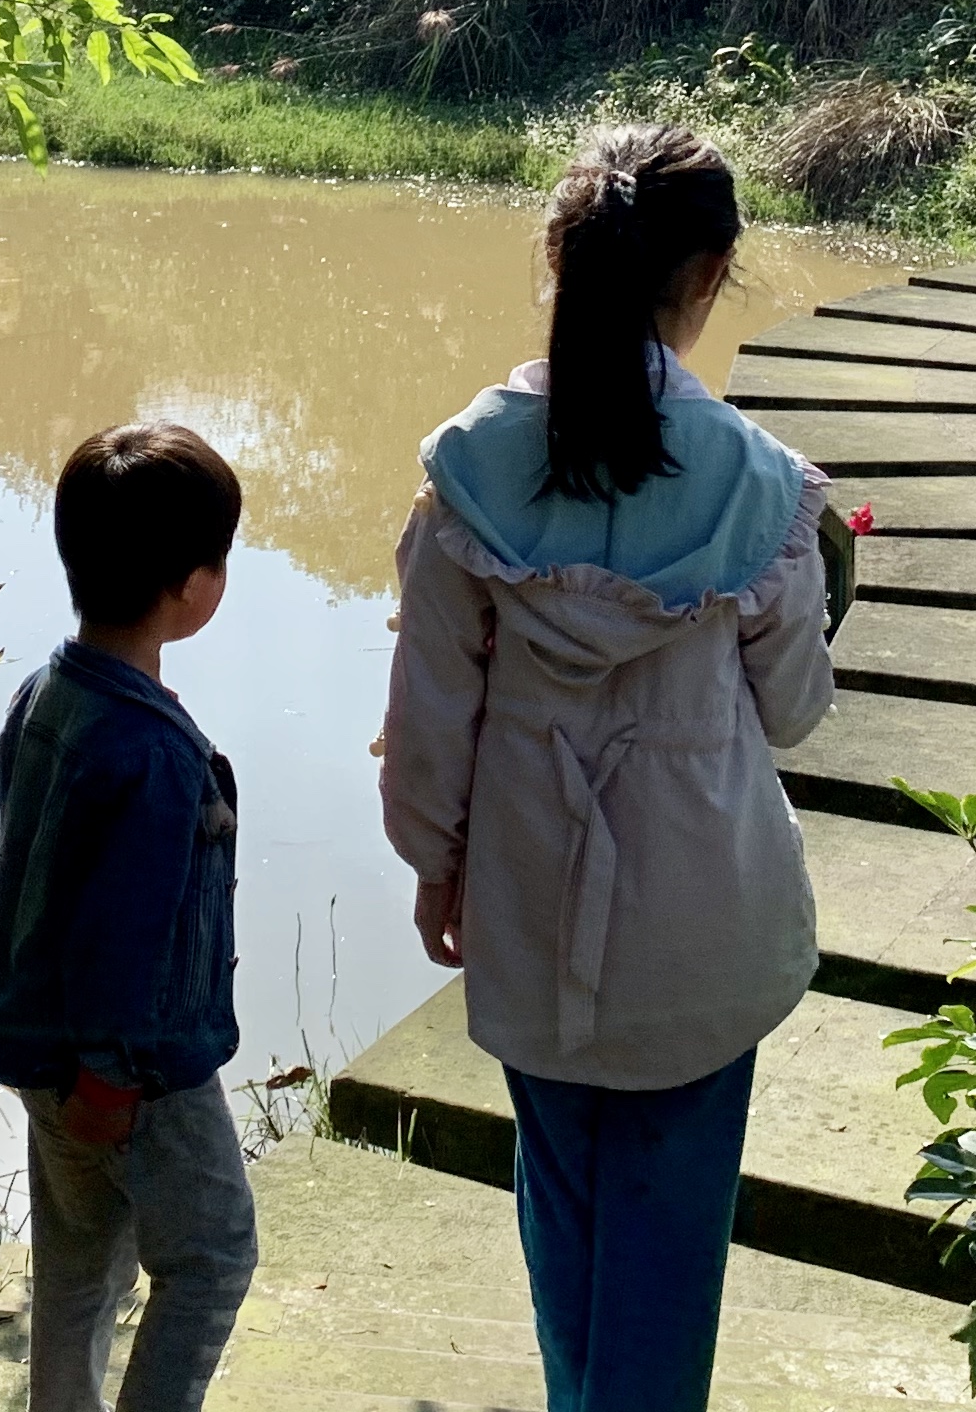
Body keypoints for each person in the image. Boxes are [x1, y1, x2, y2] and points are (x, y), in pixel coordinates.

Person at [377, 126, 836, 1412]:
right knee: (670, 1252)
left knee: (562, 1218)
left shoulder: (468, 469)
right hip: (706, 915)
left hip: (525, 891)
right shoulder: (761, 487)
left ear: (566, 262)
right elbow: (794, 712)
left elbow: (428, 718)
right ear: (712, 273)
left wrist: (436, 866)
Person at [0, 422, 260, 1412]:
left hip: (41, 1049)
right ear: (191, 587)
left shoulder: (42, 696)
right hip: (133, 1073)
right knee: (214, 1257)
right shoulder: (154, 757)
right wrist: (108, 1077)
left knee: (81, 1260)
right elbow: (124, 932)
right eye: (218, 556)